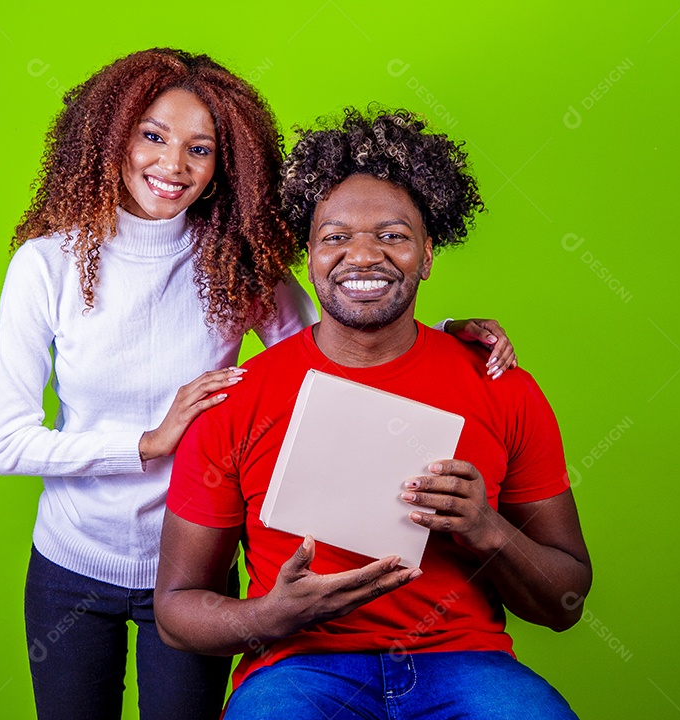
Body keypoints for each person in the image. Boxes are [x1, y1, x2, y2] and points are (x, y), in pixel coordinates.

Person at [0, 49, 518, 719]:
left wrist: (440, 332)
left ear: (225, 164)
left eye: (199, 149)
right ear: (111, 135)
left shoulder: (233, 264)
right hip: (69, 567)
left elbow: (333, 346)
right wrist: (148, 442)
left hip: (191, 575)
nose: (172, 165)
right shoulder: (46, 267)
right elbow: (6, 444)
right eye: (152, 135)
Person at [157, 107, 592, 719]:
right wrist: (272, 615)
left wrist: (487, 530)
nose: (362, 256)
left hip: (464, 662)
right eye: (335, 237)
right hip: (298, 667)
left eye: (392, 235)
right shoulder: (238, 399)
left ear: (429, 253)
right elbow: (176, 610)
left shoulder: (502, 387)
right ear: (307, 254)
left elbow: (566, 603)